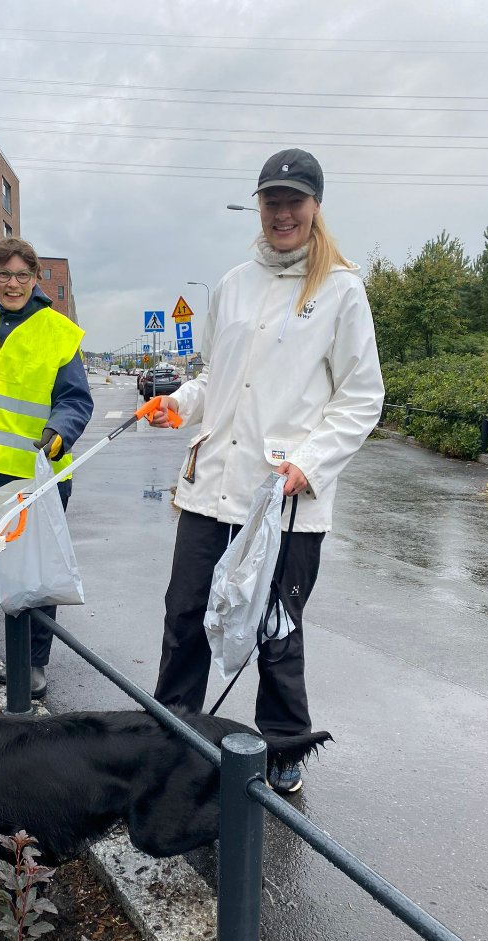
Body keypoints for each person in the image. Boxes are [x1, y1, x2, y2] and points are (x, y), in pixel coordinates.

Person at [149, 148, 384, 793]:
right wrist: (179, 402)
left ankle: (281, 750)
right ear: (259, 206)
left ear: (315, 207)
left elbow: (362, 395)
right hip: (210, 493)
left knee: (277, 630)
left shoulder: (340, 290)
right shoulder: (232, 284)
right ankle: (176, 732)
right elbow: (214, 381)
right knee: (186, 617)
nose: (283, 213)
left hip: (284, 497)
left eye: (295, 201)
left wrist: (309, 466)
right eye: (272, 200)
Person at [0, 237, 93, 699]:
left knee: (37, 575)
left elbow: (74, 399)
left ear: (35, 280)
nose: (13, 284)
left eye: (23, 276)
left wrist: (58, 433)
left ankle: (32, 664)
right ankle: (18, 653)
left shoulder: (58, 331)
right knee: (5, 572)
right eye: (4, 275)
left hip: (38, 476)